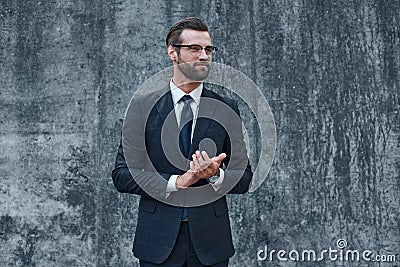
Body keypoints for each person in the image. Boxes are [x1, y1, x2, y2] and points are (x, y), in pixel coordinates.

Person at [112, 17, 253, 267]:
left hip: (211, 244)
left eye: (208, 49)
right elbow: (123, 174)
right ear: (172, 53)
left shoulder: (226, 108)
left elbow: (244, 178)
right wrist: (178, 182)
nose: (203, 56)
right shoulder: (142, 107)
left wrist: (215, 175)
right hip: (157, 242)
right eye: (194, 49)